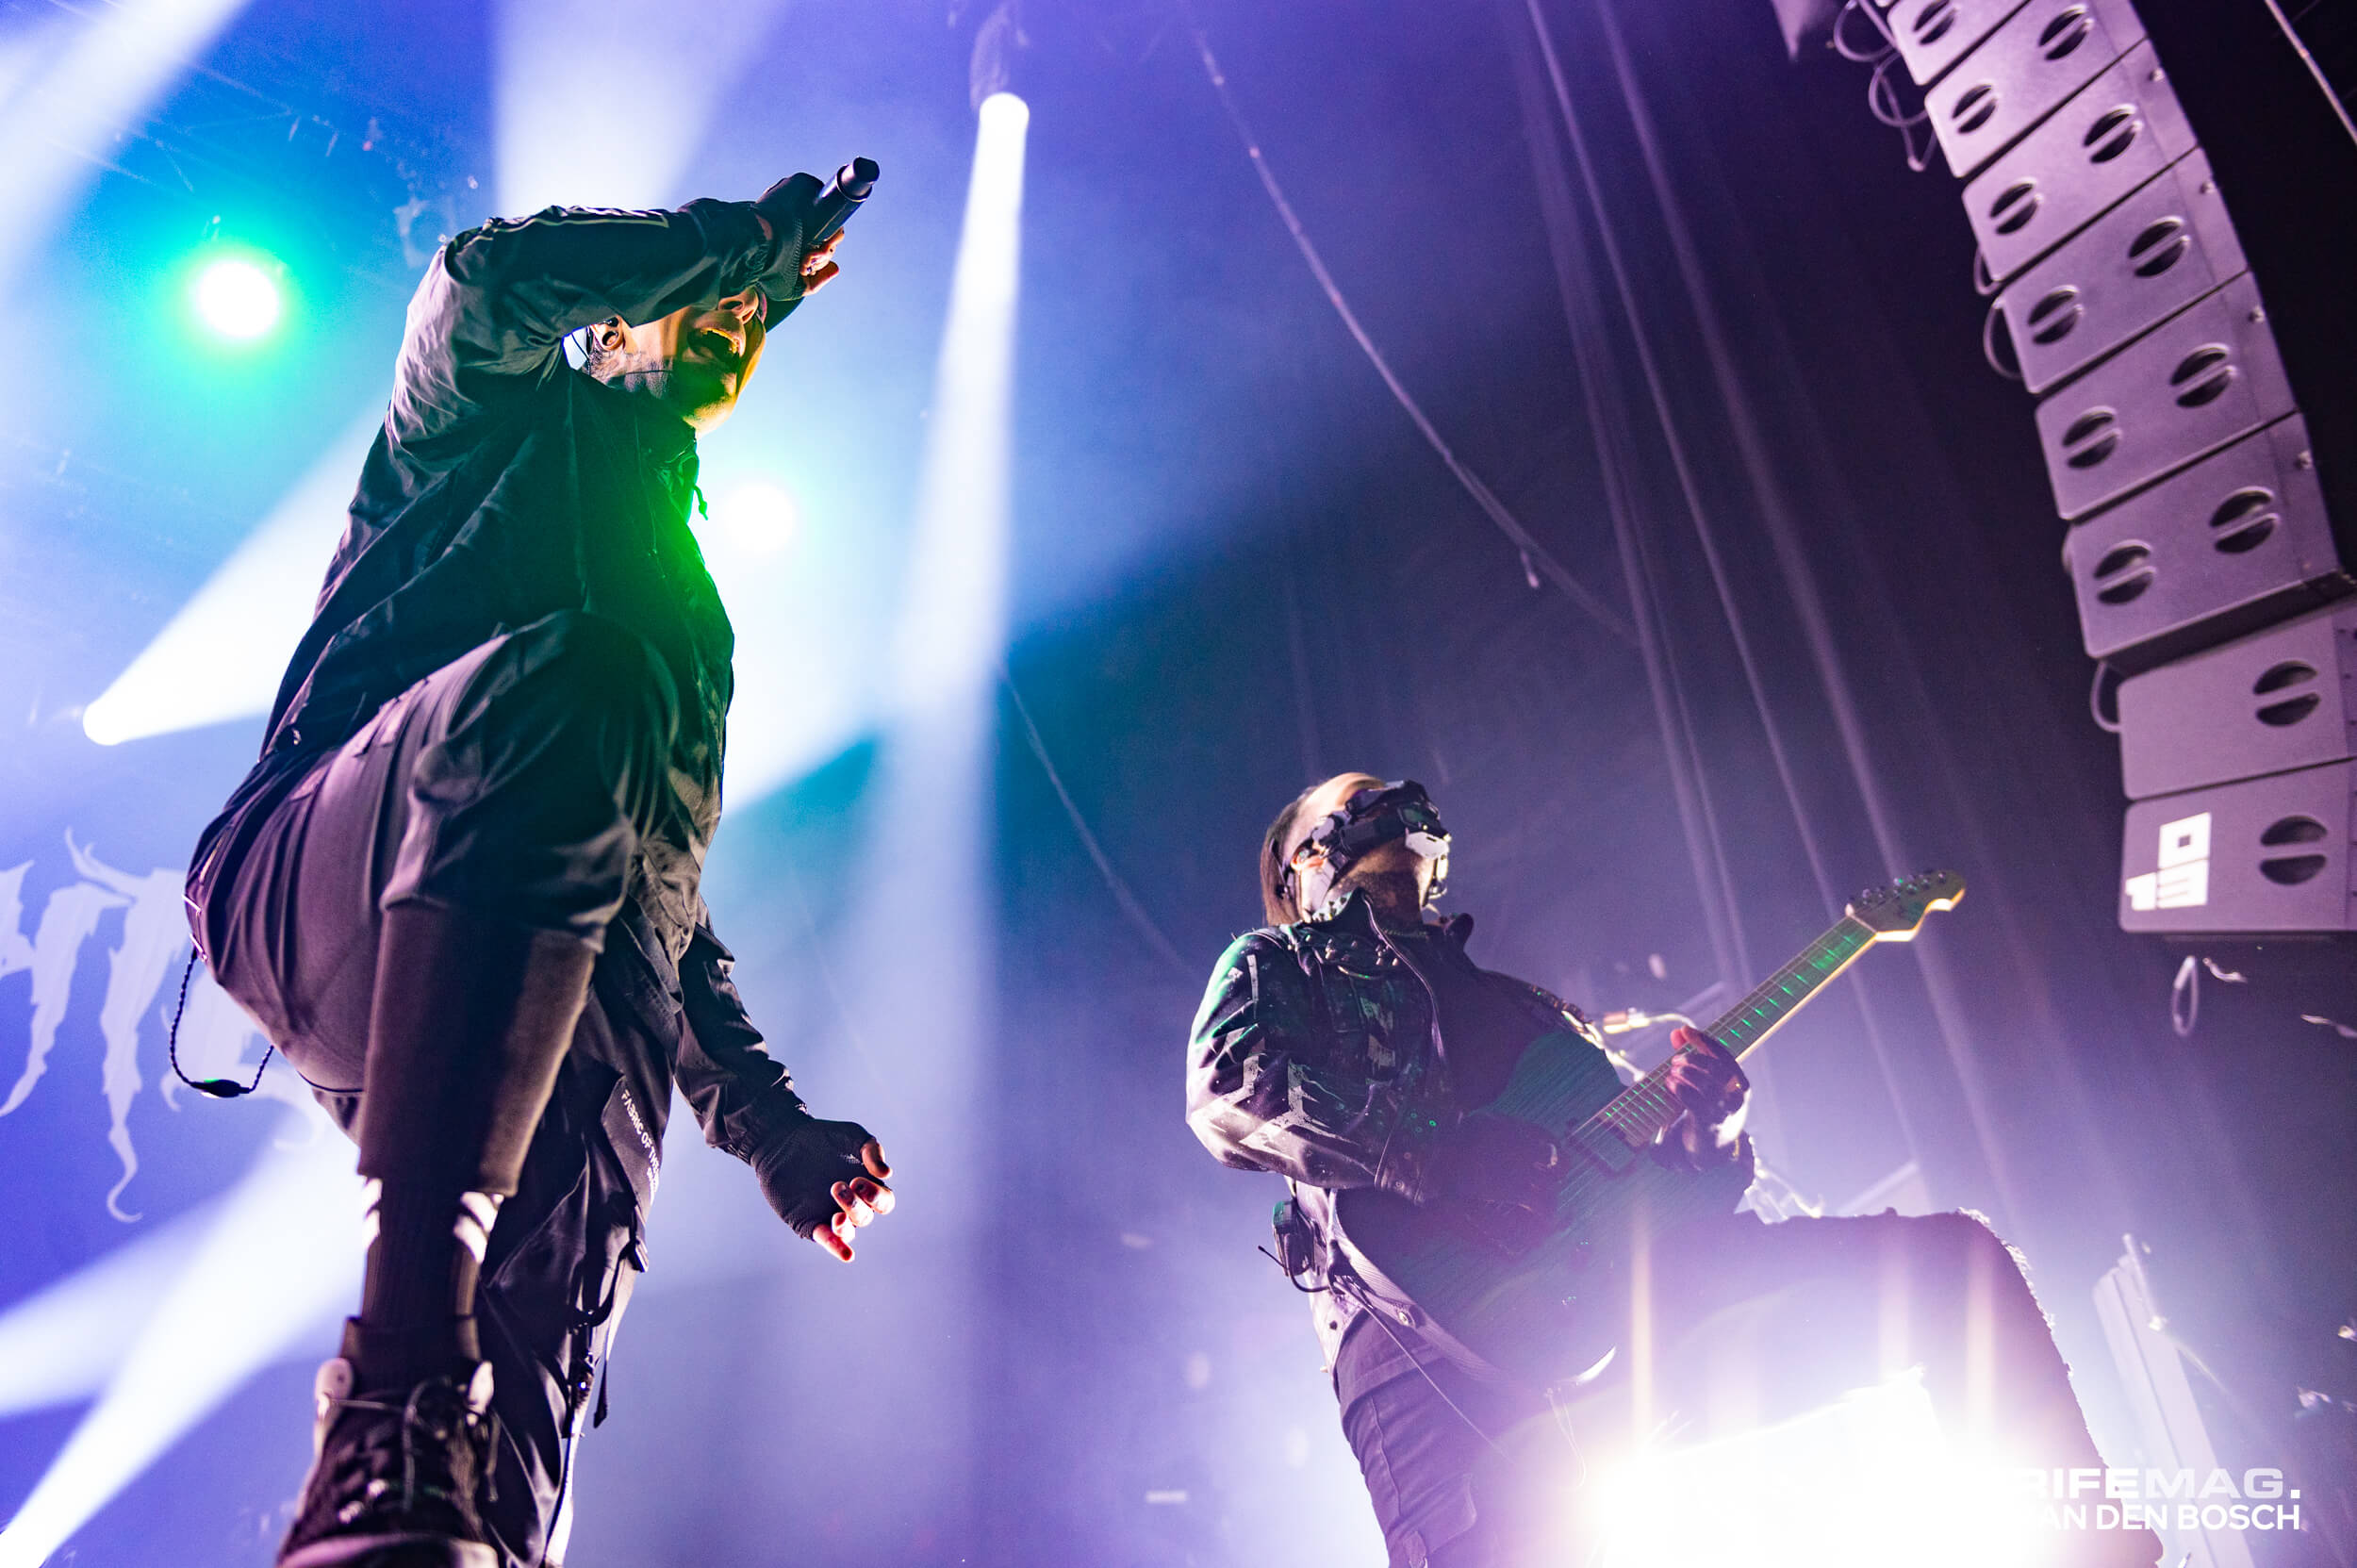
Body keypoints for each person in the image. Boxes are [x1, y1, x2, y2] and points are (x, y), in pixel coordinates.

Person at [185, 173, 897, 1568]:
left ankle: (420, 1505)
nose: (735, 324)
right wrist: (734, 246)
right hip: (328, 867)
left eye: (751, 320)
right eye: (708, 305)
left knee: (503, 1473)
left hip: (562, 997)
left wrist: (769, 1125)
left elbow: (661, 898)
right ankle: (394, 1383)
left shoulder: (687, 611)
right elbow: (487, 281)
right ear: (614, 323)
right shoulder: (485, 424)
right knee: (572, 683)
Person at [1184, 771, 2163, 1568]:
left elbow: (1650, 1191)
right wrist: (1437, 1151)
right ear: (1305, 859)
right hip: (1422, 1349)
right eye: (1356, 800)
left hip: (1634, 1298)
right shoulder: (1279, 962)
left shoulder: (1532, 1009)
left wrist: (1711, 1136)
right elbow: (1230, 1088)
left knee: (1954, 1271)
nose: (1391, 802)